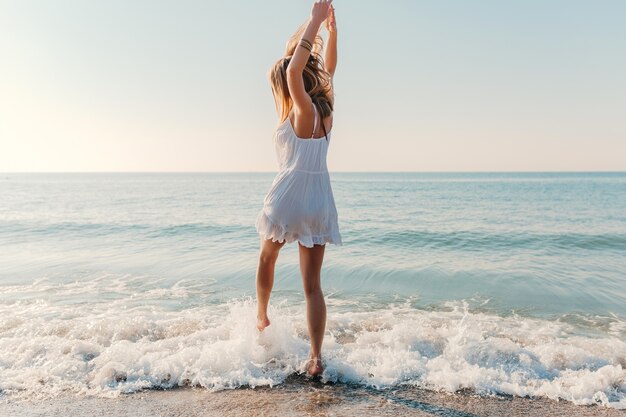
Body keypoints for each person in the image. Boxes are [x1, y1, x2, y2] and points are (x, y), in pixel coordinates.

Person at [254, 0, 341, 378]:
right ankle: (315, 357)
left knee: (267, 258)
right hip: (320, 200)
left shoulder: (301, 109)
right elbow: (328, 70)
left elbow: (293, 71)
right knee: (312, 287)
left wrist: (315, 21)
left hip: (289, 197)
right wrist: (332, 33)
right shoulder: (326, 108)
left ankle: (261, 318)